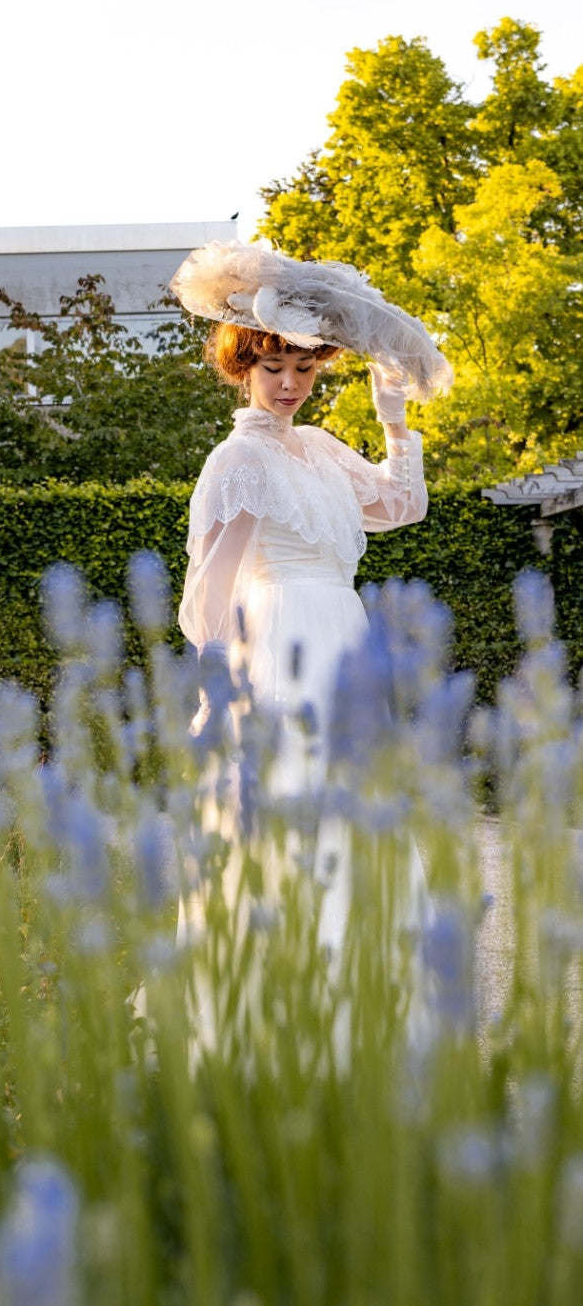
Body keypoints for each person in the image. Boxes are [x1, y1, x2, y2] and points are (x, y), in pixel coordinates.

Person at [167, 240, 450, 1041]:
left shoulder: (320, 450)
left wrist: (393, 420)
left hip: (341, 638)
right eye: (272, 370)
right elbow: (210, 597)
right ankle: (282, 1014)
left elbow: (399, 507)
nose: (288, 385)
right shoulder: (238, 462)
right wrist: (213, 692)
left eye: (302, 370)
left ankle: (369, 1006)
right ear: (242, 368)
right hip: (280, 646)